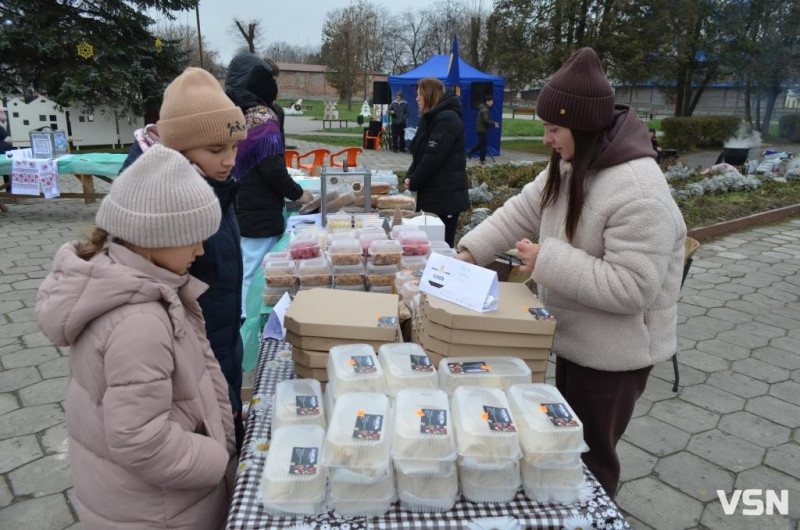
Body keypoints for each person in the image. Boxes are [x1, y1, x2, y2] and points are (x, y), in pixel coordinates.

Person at [455, 48, 686, 498]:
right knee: (562, 444)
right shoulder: (570, 163)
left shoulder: (639, 191)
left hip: (614, 357)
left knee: (590, 457)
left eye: (553, 129)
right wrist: (468, 253)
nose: (546, 139)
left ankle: (591, 515)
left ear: (581, 126)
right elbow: (522, 210)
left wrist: (548, 261)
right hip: (574, 337)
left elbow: (632, 288)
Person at [36, 145, 236, 529]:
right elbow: (141, 440)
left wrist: (220, 422)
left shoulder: (145, 286)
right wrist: (215, 457)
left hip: (143, 500)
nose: (200, 249)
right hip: (161, 511)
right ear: (150, 238)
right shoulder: (140, 320)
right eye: (193, 237)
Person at [118, 67, 250, 453]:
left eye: (234, 147)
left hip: (219, 339)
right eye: (215, 150)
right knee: (207, 440)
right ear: (177, 148)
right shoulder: (162, 203)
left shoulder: (211, 184)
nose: (229, 161)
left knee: (226, 424)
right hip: (187, 358)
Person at [225, 53, 311, 318]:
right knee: (255, 269)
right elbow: (272, 168)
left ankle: (242, 316)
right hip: (258, 208)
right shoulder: (262, 117)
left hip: (239, 203)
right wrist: (298, 193)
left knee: (245, 266)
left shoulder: (235, 111)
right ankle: (247, 319)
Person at [403, 77, 469, 247]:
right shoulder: (431, 118)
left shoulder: (447, 119)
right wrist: (410, 176)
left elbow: (433, 158)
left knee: (440, 248)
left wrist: (414, 181)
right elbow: (420, 154)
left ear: (430, 95)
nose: (417, 98)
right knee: (426, 246)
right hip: (433, 194)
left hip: (445, 198)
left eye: (420, 94)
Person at [468, 93, 499, 164]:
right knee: (483, 146)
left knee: (481, 144)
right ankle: (482, 160)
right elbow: (486, 120)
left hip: (481, 129)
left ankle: (470, 152)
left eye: (492, 101)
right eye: (491, 101)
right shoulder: (485, 110)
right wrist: (494, 123)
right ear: (487, 102)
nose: (492, 103)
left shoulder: (483, 108)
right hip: (482, 130)